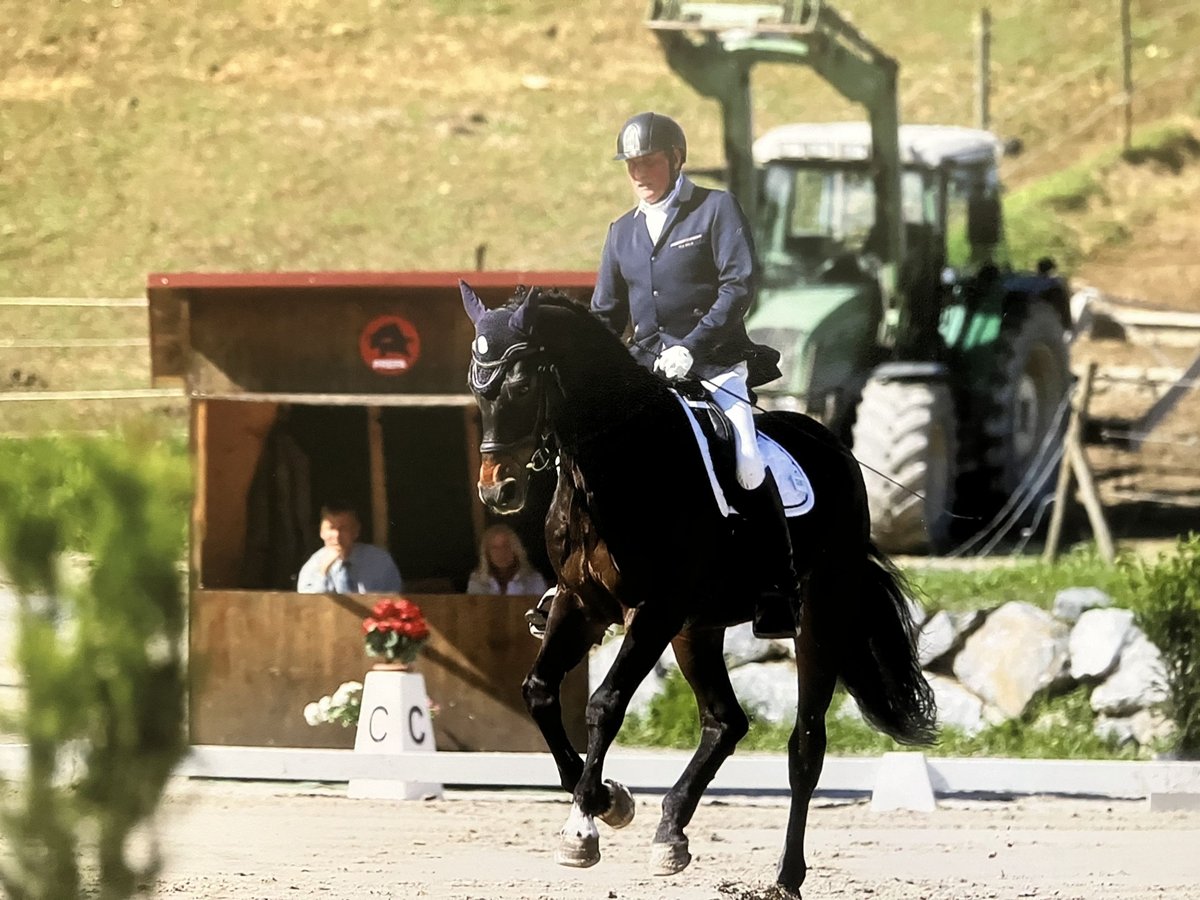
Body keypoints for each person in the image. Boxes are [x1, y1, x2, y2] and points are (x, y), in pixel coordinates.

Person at [589, 110, 801, 639]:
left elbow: (738, 285)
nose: (639, 172)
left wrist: (693, 346)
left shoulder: (714, 210)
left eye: (649, 161)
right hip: (647, 376)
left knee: (748, 462)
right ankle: (577, 577)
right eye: (631, 164)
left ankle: (778, 585)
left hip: (713, 368)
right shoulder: (621, 233)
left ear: (676, 160)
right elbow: (606, 315)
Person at [296, 503, 403, 594]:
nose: (337, 535)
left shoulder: (379, 561)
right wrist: (323, 571)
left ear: (356, 531)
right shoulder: (313, 565)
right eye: (331, 528)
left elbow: (395, 600)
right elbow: (308, 607)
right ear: (321, 532)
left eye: (343, 529)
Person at [466, 524, 549, 596]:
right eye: (495, 548)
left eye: (506, 546)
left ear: (515, 549)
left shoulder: (534, 581)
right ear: (487, 553)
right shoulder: (477, 581)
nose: (501, 552)